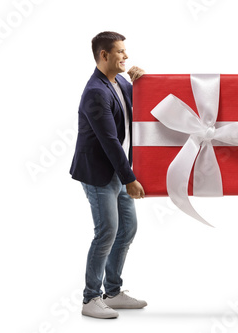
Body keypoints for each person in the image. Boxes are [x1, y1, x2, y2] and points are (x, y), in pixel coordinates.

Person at [70, 31, 146, 319]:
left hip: (119, 170)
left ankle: (112, 292)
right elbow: (109, 140)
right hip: (99, 173)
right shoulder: (95, 92)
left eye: (126, 51)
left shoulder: (120, 82)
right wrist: (129, 178)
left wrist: (142, 81)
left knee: (128, 229)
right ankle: (91, 298)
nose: (126, 56)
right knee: (107, 233)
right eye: (121, 52)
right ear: (104, 55)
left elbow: (140, 109)